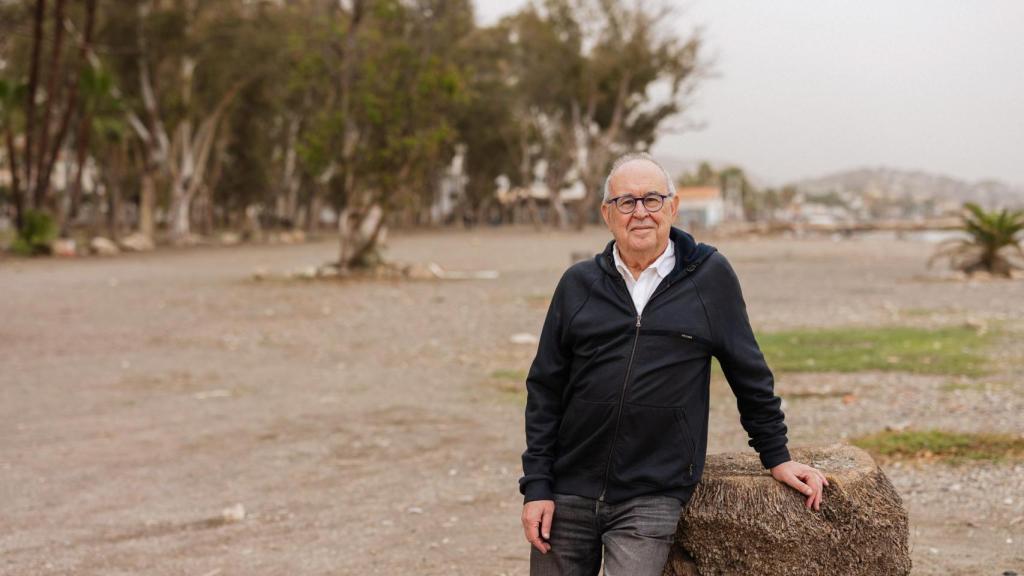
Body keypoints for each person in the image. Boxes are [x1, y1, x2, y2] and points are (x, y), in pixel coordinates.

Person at [518, 152, 829, 575]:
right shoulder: (578, 284)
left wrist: (777, 455)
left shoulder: (710, 277)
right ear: (607, 214)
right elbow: (545, 388)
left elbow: (748, 372)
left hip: (652, 495)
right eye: (626, 202)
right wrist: (537, 486)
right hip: (568, 488)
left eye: (652, 199)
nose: (640, 212)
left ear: (673, 207)